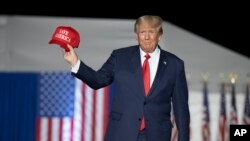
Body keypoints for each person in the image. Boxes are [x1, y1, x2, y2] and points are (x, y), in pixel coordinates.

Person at [62, 15, 190, 141]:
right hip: (122, 132)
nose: (146, 37)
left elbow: (181, 109)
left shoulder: (175, 65)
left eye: (151, 32)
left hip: (157, 135)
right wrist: (75, 62)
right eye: (142, 32)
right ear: (136, 36)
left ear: (160, 35)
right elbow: (98, 80)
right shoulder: (120, 57)